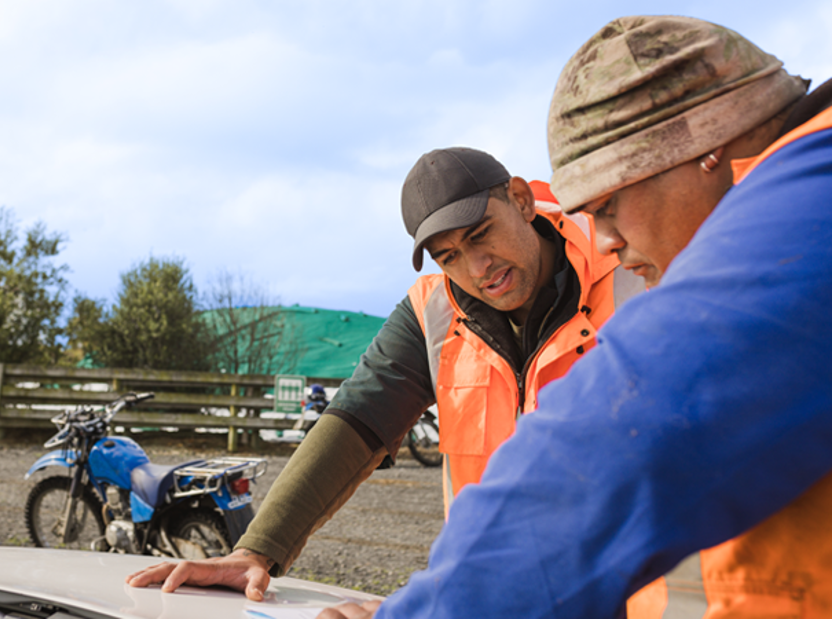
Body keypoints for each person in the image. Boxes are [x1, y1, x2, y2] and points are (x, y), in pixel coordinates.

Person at [324, 15, 832, 618]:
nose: (607, 240)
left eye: (611, 205)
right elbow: (358, 412)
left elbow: (625, 439)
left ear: (705, 147)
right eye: (449, 255)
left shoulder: (810, 208)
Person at [127, 147, 632, 598]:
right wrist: (255, 550)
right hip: (488, 596)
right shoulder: (434, 313)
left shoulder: (636, 272)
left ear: (520, 199)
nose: (479, 268)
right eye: (449, 256)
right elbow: (356, 419)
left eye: (482, 234)